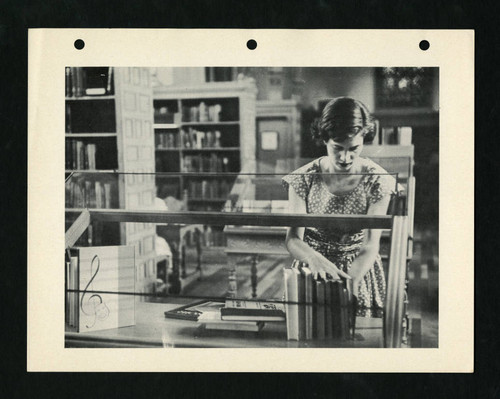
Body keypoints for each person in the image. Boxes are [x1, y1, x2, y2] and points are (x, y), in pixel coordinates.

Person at [282, 97, 396, 317]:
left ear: (364, 138)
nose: (345, 157)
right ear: (324, 139)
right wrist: (314, 259)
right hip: (312, 268)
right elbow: (293, 239)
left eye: (354, 148)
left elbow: (371, 245)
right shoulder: (303, 178)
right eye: (337, 148)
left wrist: (348, 283)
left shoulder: (378, 180)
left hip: (359, 269)